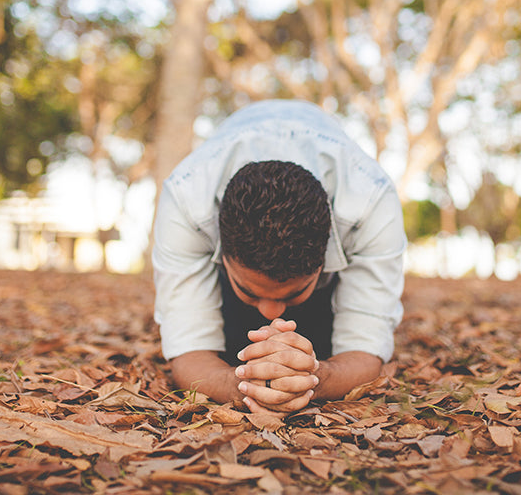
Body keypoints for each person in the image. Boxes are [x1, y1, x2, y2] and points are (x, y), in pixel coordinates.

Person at [152, 99, 406, 416]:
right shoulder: (186, 197)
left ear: (324, 258)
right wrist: (241, 384)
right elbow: (189, 352)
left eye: (295, 291)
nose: (271, 312)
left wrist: (317, 377)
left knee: (320, 341)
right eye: (250, 290)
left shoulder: (370, 199)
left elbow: (365, 350)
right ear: (223, 251)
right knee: (234, 345)